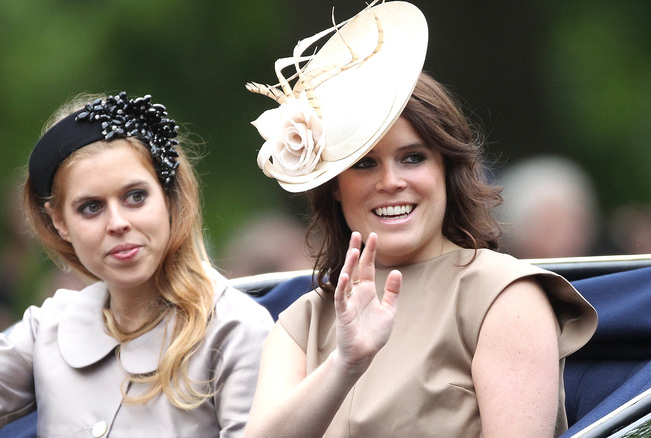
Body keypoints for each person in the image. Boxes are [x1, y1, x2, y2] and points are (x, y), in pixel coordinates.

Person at [242, 2, 597, 437]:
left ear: (446, 170)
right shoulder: (302, 320)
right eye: (364, 164)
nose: (391, 181)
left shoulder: (503, 296)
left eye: (413, 158)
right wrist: (346, 364)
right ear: (335, 185)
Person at [0, 91, 273, 437]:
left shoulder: (235, 328)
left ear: (168, 199)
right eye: (91, 207)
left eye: (135, 196)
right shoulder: (50, 328)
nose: (118, 223)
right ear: (59, 222)